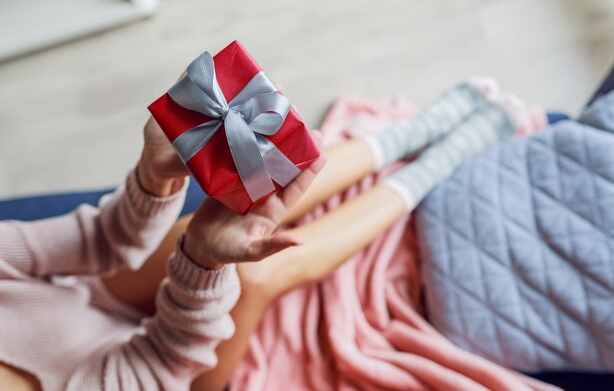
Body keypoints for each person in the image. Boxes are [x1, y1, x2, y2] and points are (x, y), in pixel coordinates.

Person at [0, 81, 522, 391]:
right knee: (253, 276)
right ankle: (435, 166)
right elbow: (160, 358)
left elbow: (100, 240)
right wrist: (201, 265)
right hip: (171, 377)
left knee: (200, 221)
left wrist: (153, 178)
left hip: (89, 303)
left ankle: (407, 135)